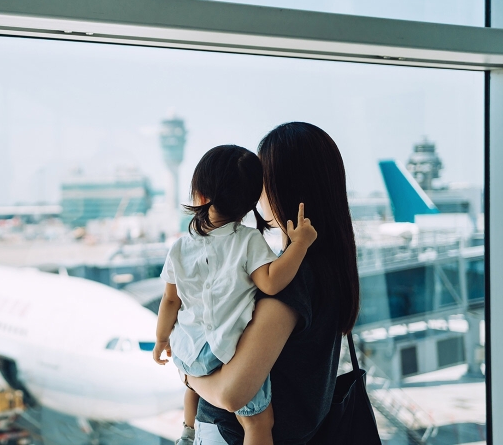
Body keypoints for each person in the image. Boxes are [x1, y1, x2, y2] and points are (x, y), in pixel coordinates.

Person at [184, 122, 360, 445]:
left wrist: (189, 374)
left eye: (261, 179)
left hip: (230, 435)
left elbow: (233, 393)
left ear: (285, 186)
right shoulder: (329, 268)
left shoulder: (293, 278)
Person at [153, 144, 318, 445]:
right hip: (220, 351)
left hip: (187, 349)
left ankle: (187, 433)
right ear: (252, 200)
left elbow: (170, 300)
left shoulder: (179, 246)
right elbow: (270, 283)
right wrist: (299, 246)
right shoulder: (247, 241)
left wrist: (163, 339)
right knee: (258, 423)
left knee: (191, 385)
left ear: (200, 196)